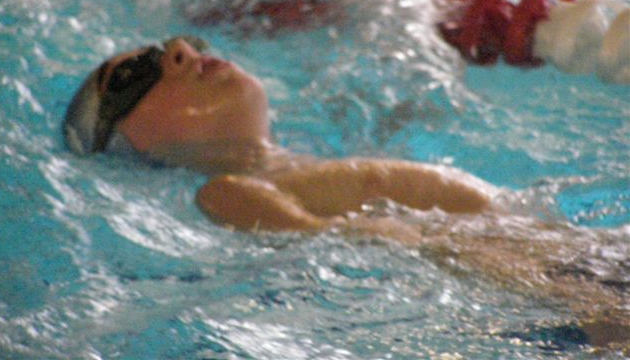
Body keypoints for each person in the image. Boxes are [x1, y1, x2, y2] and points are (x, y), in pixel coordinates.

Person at [64, 35, 629, 350]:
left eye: (178, 43)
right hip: (557, 285)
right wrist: (588, 304)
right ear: (134, 146)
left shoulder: (316, 160)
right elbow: (344, 240)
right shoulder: (226, 191)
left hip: (575, 256)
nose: (179, 51)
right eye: (137, 75)